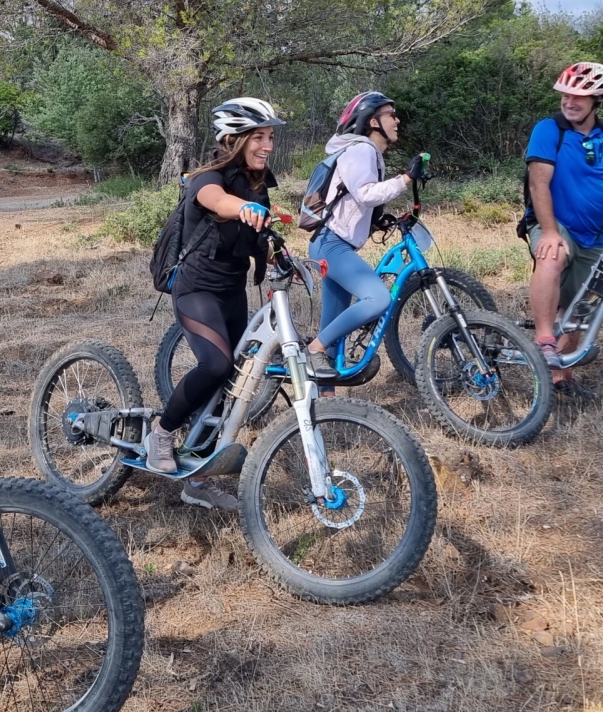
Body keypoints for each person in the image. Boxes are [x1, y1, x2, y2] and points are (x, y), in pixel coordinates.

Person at [141, 98, 286, 512]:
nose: (267, 145)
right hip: (197, 289)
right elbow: (219, 203)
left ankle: (198, 477)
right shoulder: (206, 178)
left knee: (235, 379)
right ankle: (162, 432)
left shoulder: (259, 184)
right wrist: (244, 208)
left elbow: (255, 236)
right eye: (259, 137)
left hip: (232, 290)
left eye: (270, 137)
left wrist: (278, 255)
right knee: (217, 366)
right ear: (235, 139)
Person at [305, 91, 427, 394]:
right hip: (332, 246)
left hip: (332, 244)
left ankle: (325, 396)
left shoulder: (367, 153)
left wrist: (377, 221)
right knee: (378, 299)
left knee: (333, 326)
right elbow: (365, 193)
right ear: (373, 121)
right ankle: (312, 351)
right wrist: (406, 180)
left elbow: (353, 201)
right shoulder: (361, 150)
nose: (397, 120)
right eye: (390, 115)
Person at [522, 62, 603, 396]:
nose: (570, 101)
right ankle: (544, 340)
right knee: (552, 256)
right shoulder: (549, 129)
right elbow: (539, 183)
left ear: (599, 98)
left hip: (594, 234)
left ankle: (559, 379)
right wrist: (549, 231)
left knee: (581, 307)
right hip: (554, 223)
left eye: (579, 96)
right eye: (566, 94)